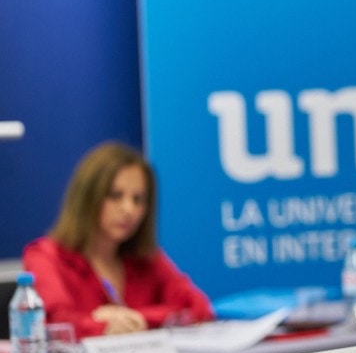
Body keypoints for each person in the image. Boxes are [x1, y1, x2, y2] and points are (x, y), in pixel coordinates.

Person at [23, 141, 214, 339]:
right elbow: (55, 324)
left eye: (138, 199)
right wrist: (101, 326)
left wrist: (137, 318)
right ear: (88, 197)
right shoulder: (45, 256)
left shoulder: (146, 257)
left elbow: (199, 307)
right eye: (116, 196)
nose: (129, 210)